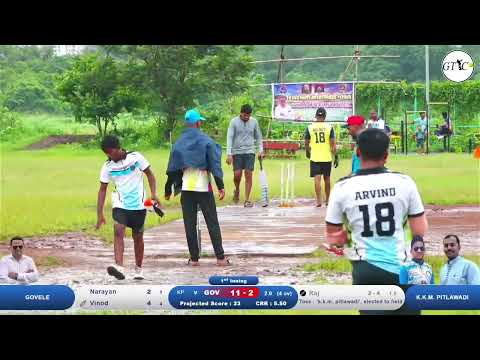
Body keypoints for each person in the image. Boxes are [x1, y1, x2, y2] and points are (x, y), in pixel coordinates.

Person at [325, 128, 428, 315]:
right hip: (401, 266)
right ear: (387, 155)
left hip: (365, 268)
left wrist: (343, 239)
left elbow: (334, 237)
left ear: (358, 153)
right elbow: (419, 230)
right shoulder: (405, 182)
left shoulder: (342, 188)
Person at [165, 109, 230, 267]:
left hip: (187, 189)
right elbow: (214, 164)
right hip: (203, 188)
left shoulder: (179, 142)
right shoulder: (206, 140)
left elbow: (173, 167)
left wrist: (168, 189)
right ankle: (220, 258)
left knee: (189, 224)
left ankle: (194, 259)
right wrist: (220, 186)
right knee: (212, 222)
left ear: (187, 123)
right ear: (198, 123)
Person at [96, 135, 160, 280]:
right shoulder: (108, 166)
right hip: (120, 203)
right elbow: (102, 189)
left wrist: (154, 194)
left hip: (139, 204)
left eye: (111, 152)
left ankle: (138, 268)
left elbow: (150, 175)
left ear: (119, 148)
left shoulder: (136, 158)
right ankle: (119, 266)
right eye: (106, 153)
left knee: (138, 236)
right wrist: (100, 214)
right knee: (118, 229)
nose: (109, 156)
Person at [226, 104, 264, 208]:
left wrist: (261, 150)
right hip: (237, 152)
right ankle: (237, 189)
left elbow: (259, 137)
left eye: (248, 115)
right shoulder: (233, 122)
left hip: (249, 151)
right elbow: (229, 137)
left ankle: (247, 199)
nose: (247, 117)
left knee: (248, 174)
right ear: (241, 113)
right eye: (245, 115)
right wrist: (229, 154)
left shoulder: (254, 122)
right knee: (237, 175)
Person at [305, 107, 338, 207]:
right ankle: (328, 200)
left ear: (316, 116)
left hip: (315, 156)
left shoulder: (310, 127)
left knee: (317, 179)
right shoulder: (329, 127)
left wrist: (308, 151)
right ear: (325, 116)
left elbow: (306, 142)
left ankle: (319, 201)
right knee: (327, 179)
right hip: (327, 157)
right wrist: (335, 155)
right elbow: (332, 144)